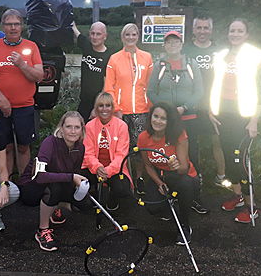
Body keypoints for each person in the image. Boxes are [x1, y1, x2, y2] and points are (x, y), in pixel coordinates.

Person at [209, 18, 261, 224]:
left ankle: (253, 207)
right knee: (227, 155)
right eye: (232, 30)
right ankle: (238, 196)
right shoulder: (222, 56)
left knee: (240, 161)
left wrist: (254, 121)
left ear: (247, 34)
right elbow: (214, 85)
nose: (235, 34)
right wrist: (211, 110)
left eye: (239, 31)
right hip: (223, 112)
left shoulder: (254, 57)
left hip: (244, 115)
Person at [147, 30, 208, 214]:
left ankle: (195, 197)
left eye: (175, 42)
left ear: (181, 44)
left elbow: (199, 92)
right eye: (168, 43)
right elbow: (151, 91)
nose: (172, 45)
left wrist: (184, 107)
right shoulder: (159, 65)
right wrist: (164, 111)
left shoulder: (191, 64)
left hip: (188, 119)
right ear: (164, 46)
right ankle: (169, 196)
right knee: (167, 157)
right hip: (165, 122)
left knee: (191, 157)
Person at [0, 9, 44, 175]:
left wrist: (22, 65)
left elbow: (39, 76)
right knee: (5, 146)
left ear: (22, 26)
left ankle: (24, 182)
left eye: (16, 24)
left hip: (25, 106)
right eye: (9, 24)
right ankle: (5, 183)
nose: (13, 28)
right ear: (3, 26)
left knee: (24, 146)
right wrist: (2, 100)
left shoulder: (31, 46)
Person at [17, 111, 91, 252]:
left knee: (84, 205)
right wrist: (71, 178)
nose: (73, 131)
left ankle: (54, 208)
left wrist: (76, 187)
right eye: (68, 126)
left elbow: (75, 173)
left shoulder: (80, 147)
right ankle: (42, 230)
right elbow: (40, 176)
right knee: (55, 188)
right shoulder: (49, 143)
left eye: (77, 127)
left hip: (55, 181)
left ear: (82, 130)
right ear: (61, 128)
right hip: (31, 187)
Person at [137, 102, 200, 244]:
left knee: (186, 184)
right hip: (160, 175)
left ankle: (184, 225)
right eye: (156, 116)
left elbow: (184, 168)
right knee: (152, 207)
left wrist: (176, 165)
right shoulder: (143, 137)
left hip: (182, 175)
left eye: (163, 118)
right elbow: (148, 166)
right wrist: (159, 183)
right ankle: (169, 207)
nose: (158, 121)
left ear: (169, 121)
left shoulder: (179, 135)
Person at [104, 23, 153, 194]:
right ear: (122, 37)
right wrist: (115, 109)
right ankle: (123, 178)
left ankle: (139, 178)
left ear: (138, 36)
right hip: (120, 112)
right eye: (127, 35)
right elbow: (108, 87)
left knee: (139, 148)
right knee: (120, 148)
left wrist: (152, 108)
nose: (130, 38)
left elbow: (150, 85)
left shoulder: (147, 57)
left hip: (142, 110)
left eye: (134, 34)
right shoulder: (114, 59)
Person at [183, 15, 227, 188]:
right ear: (193, 30)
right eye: (199, 28)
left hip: (215, 104)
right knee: (192, 142)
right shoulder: (186, 51)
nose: (202, 31)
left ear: (211, 30)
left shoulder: (220, 52)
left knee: (217, 140)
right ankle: (196, 175)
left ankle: (221, 176)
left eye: (205, 28)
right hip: (192, 104)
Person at [81, 92, 132, 211]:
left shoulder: (122, 126)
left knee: (122, 189)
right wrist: (98, 168)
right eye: (101, 105)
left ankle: (112, 199)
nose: (104, 109)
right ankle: (91, 197)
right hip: (93, 167)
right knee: (78, 180)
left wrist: (107, 171)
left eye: (108, 105)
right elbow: (88, 153)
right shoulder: (89, 126)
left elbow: (121, 155)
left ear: (112, 108)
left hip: (114, 169)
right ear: (96, 108)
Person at [72, 21, 112, 122]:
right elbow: (76, 32)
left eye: (98, 34)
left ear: (105, 36)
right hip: (84, 102)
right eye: (92, 33)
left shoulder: (109, 57)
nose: (94, 37)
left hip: (98, 105)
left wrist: (96, 107)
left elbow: (106, 85)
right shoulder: (86, 46)